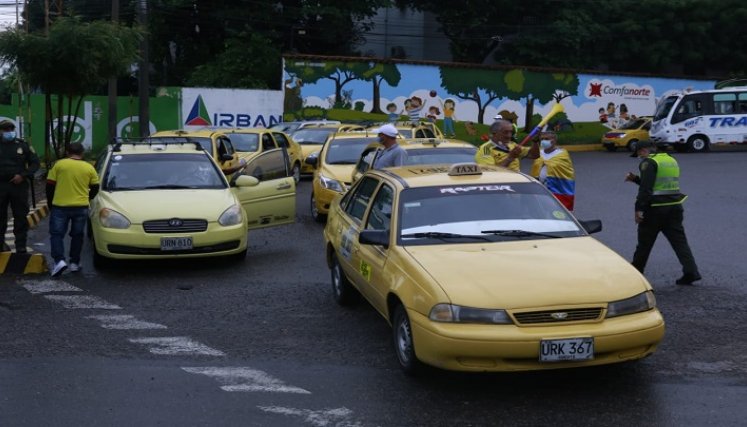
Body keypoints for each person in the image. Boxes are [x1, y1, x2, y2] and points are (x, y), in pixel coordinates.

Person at [625, 140, 701, 285]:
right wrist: (635, 179)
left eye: (639, 154)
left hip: (655, 208)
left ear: (643, 150)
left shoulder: (648, 163)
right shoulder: (670, 160)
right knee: (680, 242)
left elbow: (646, 189)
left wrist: (639, 209)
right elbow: (659, 184)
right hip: (675, 206)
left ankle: (635, 274)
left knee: (644, 244)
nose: (640, 157)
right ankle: (691, 271)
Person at [46, 143, 100, 276]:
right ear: (82, 153)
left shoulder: (59, 165)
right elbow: (95, 187)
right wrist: (87, 198)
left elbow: (50, 186)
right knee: (77, 235)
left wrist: (50, 204)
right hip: (80, 206)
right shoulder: (89, 167)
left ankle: (59, 261)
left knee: (57, 234)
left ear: (67, 152)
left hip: (60, 206)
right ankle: (74, 263)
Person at [0, 119, 40, 253]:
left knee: (20, 216)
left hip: (19, 186)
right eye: (5, 129)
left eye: (11, 129)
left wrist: (23, 175)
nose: (8, 132)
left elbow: (35, 163)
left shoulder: (23, 145)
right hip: (1, 185)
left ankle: (21, 246)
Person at [530, 131, 575, 210]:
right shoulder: (538, 153)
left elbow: (565, 172)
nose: (544, 141)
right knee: (540, 210)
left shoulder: (562, 155)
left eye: (547, 139)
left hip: (556, 189)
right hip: (540, 187)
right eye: (542, 139)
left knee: (556, 211)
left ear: (554, 140)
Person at [475, 119, 539, 171]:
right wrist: (510, 158)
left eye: (511, 132)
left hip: (517, 182)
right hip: (502, 184)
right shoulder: (486, 149)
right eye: (505, 132)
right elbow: (491, 173)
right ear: (494, 133)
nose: (509, 135)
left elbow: (534, 155)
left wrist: (535, 141)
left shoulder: (512, 145)